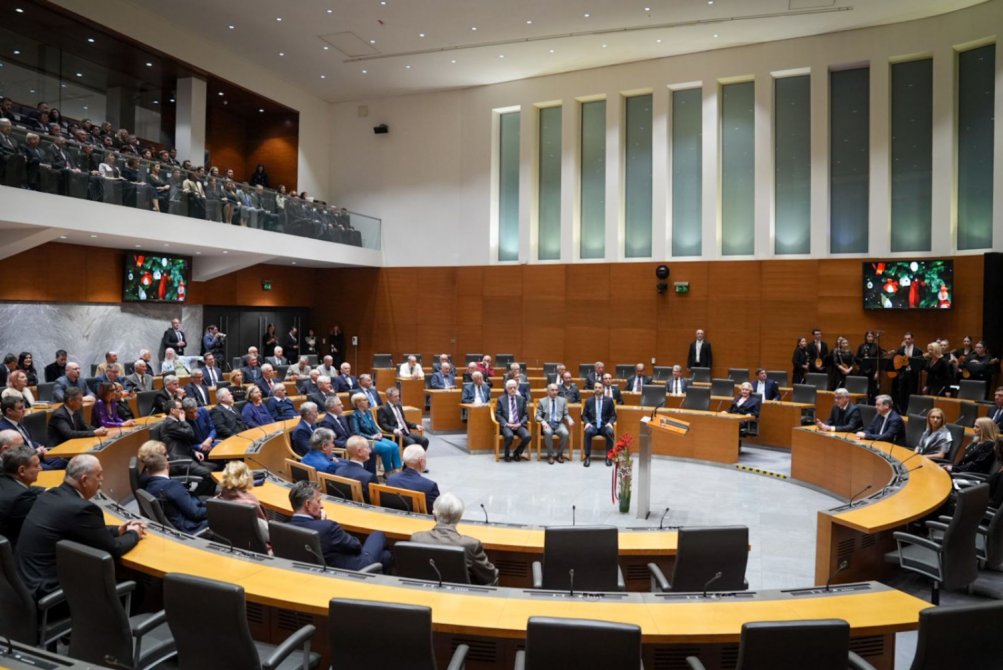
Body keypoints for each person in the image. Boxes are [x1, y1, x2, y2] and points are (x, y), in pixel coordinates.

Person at [16, 454, 146, 597]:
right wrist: (134, 533)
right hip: (49, 589)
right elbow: (114, 548)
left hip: (26, 582)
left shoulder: (51, 495)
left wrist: (118, 530)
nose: (102, 480)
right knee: (139, 581)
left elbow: (85, 530)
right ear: (84, 480)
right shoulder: (81, 508)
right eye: (99, 475)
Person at [287, 480, 391, 572]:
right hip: (350, 570)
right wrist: (322, 522)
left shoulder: (285, 528)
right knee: (378, 534)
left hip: (316, 570)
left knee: (385, 556)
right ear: (307, 504)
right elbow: (356, 546)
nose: (322, 506)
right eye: (318, 501)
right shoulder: (327, 527)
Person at [410, 493, 498, 586]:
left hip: (423, 591)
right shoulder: (471, 545)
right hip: (460, 594)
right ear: (459, 517)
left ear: (434, 516)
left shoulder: (416, 538)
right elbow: (490, 576)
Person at [142, 450, 208, 534]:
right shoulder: (171, 485)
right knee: (224, 512)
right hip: (191, 527)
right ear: (167, 465)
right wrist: (216, 508)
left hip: (175, 525)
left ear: (148, 470)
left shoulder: (148, 486)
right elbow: (196, 514)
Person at [161, 399, 218, 496]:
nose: (183, 411)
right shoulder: (169, 424)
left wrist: (194, 452)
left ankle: (207, 497)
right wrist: (183, 421)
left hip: (187, 456)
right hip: (179, 461)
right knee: (209, 474)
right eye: (180, 409)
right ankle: (195, 497)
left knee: (215, 468)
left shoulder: (175, 422)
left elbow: (183, 442)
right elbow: (190, 434)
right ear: (172, 410)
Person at [0, 445, 43, 546]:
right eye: (36, 466)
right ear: (22, 471)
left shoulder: (4, 479)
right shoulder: (22, 498)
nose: (41, 469)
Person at [349, 393, 402, 475]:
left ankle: (397, 470)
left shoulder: (368, 412)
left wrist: (378, 433)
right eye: (365, 400)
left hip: (376, 437)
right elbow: (356, 433)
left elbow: (375, 426)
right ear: (358, 403)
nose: (368, 401)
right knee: (386, 448)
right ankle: (388, 472)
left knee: (394, 446)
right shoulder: (354, 415)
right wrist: (371, 437)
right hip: (365, 440)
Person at [217, 460, 269, 541]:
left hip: (226, 541)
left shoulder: (218, 498)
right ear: (247, 477)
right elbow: (267, 535)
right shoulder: (251, 504)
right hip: (253, 545)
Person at [377, 387, 429, 452]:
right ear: (389, 397)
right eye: (395, 397)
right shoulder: (383, 409)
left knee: (424, 440)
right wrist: (394, 429)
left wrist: (416, 426)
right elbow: (383, 425)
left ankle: (418, 456)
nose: (398, 398)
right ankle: (409, 458)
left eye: (398, 396)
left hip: (406, 432)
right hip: (395, 434)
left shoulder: (398, 405)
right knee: (411, 443)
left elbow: (404, 421)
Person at [582, 382, 616, 467]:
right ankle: (587, 456)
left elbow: (613, 415)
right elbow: (584, 415)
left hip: (605, 425)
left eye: (599, 387)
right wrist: (587, 423)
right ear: (594, 389)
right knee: (588, 432)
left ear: (603, 389)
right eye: (596, 387)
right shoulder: (589, 401)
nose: (597, 389)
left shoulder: (609, 401)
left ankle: (609, 456)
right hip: (593, 425)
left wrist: (610, 423)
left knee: (610, 432)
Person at [495, 379, 531, 462]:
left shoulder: (522, 399)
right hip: (507, 425)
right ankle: (506, 454)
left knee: (527, 436)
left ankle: (517, 452)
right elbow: (498, 415)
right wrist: (506, 424)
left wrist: (520, 423)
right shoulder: (501, 399)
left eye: (514, 387)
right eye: (510, 388)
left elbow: (526, 415)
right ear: (507, 389)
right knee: (509, 436)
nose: (513, 390)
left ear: (517, 388)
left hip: (518, 425)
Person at [536, 383, 572, 464]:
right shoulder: (542, 401)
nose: (555, 392)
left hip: (559, 424)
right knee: (548, 432)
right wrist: (543, 421)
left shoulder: (563, 401)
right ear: (548, 391)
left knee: (565, 433)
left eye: (556, 390)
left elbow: (566, 414)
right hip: (547, 423)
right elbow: (537, 416)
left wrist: (569, 419)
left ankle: (559, 454)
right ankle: (550, 455)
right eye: (552, 390)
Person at [334, 436, 377, 503]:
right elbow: (376, 502)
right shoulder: (369, 477)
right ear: (359, 451)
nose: (370, 451)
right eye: (367, 448)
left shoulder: (338, 471)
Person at [856, 331, 881, 404]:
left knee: (872, 390)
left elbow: (879, 361)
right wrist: (863, 361)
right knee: (862, 388)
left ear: (873, 338)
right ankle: (862, 404)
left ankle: (871, 405)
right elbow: (857, 358)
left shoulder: (876, 347)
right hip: (863, 371)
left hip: (873, 371)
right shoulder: (861, 346)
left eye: (871, 336)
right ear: (866, 337)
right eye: (868, 336)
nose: (870, 338)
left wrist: (877, 372)